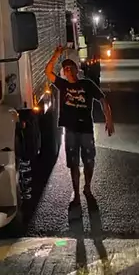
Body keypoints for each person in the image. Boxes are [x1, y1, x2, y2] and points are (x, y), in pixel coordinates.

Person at [45, 45, 115, 207]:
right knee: (74, 164)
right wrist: (56, 54)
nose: (68, 70)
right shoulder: (63, 85)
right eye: (65, 69)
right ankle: (76, 194)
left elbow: (103, 100)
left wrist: (109, 119)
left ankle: (87, 188)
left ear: (77, 70)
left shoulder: (87, 84)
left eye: (71, 67)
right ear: (64, 73)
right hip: (71, 131)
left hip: (86, 130)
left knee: (89, 161)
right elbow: (48, 72)